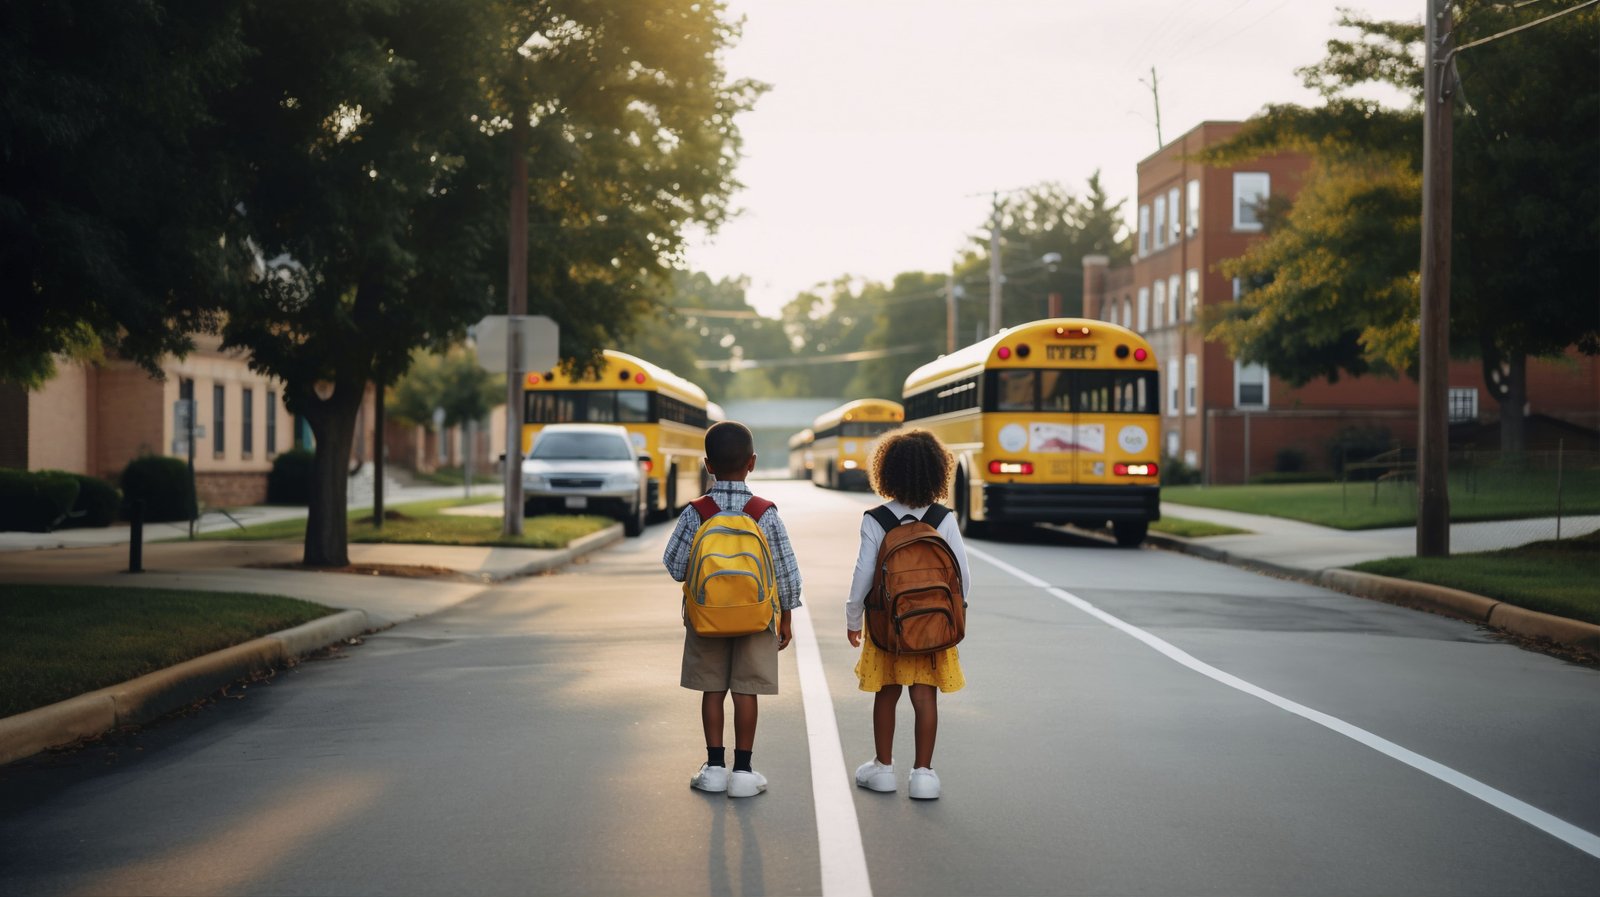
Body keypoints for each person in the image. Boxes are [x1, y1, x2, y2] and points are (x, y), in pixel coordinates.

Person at [663, 420, 802, 798]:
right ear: (752, 463)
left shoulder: (697, 511)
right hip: (756, 618)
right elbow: (787, 573)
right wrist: (785, 615)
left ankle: (713, 767)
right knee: (745, 691)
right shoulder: (764, 512)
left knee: (712, 689)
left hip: (706, 617)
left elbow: (676, 566)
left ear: (708, 465)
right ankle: (743, 771)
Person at [845, 428, 969, 800]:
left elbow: (863, 575)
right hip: (933, 624)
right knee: (924, 697)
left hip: (887, 624)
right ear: (937, 472)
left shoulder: (876, 519)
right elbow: (962, 575)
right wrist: (954, 616)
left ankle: (883, 768)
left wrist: (854, 620)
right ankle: (923, 775)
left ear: (887, 473)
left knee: (886, 693)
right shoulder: (942, 518)